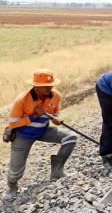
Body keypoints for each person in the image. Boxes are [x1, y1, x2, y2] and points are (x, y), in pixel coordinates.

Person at [3, 69, 77, 201]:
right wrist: (33, 116)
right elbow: (13, 124)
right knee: (15, 169)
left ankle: (57, 171)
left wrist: (55, 119)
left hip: (43, 131)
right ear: (36, 86)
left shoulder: (56, 95)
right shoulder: (22, 100)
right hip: (23, 135)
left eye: (51, 85)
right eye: (45, 87)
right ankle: (11, 186)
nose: (49, 88)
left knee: (70, 137)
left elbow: (55, 113)